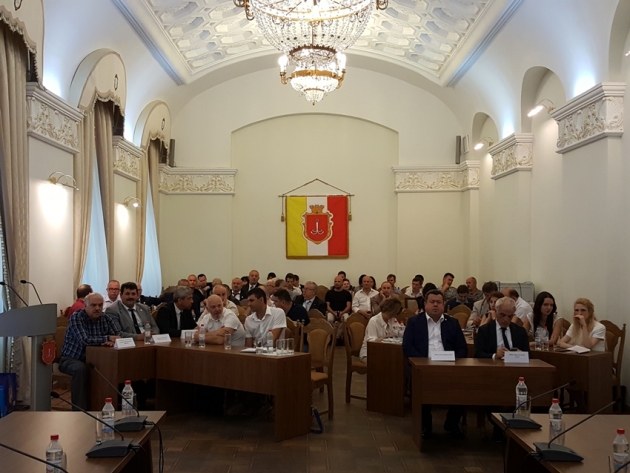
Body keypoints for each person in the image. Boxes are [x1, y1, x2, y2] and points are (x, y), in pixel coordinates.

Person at [402, 289, 467, 438]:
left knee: (463, 384)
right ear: (425, 304)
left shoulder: (453, 323)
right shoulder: (414, 322)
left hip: (449, 365)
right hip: (422, 365)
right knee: (417, 382)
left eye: (439, 302)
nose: (435, 305)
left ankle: (451, 424)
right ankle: (425, 425)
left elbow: (462, 348)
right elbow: (407, 347)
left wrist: (453, 360)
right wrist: (423, 362)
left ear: (444, 304)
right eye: (432, 302)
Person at [58, 293, 121, 410]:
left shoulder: (106, 318)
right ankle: (80, 411)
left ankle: (104, 406)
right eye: (93, 305)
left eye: (100, 305)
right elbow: (84, 340)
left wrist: (112, 341)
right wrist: (107, 338)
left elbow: (117, 336)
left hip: (97, 359)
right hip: (71, 359)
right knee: (80, 369)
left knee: (112, 367)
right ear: (85, 306)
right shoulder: (77, 317)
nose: (97, 308)